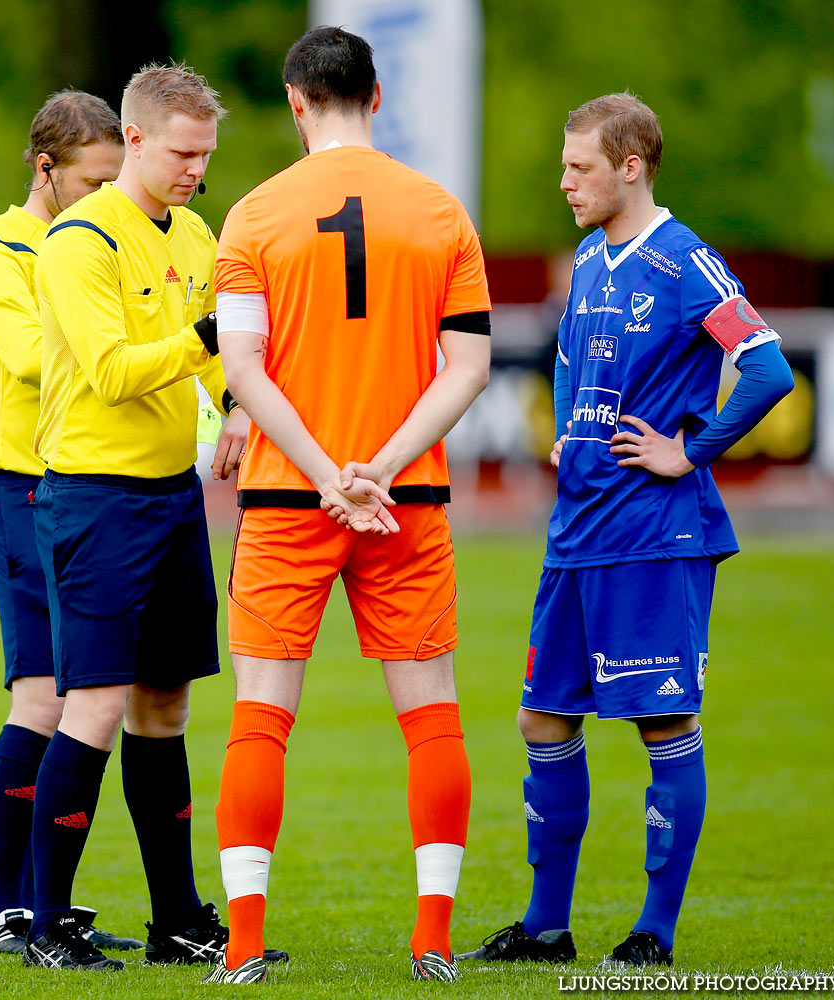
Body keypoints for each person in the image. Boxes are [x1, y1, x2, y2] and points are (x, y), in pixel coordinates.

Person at [458, 93, 793, 969]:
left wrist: (692, 452)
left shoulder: (686, 263)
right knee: (542, 719)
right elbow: (570, 373)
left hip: (653, 533)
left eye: (580, 168)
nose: (564, 182)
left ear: (631, 167)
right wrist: (570, 455)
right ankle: (545, 929)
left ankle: (654, 932)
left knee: (661, 721)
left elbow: (764, 369)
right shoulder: (589, 259)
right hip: (579, 533)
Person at [208, 26, 493, 984]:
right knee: (431, 717)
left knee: (260, 715)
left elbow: (242, 370)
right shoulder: (440, 212)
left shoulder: (251, 216)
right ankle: (433, 939)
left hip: (291, 497)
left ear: (294, 101)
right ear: (376, 95)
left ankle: (244, 946)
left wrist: (330, 473)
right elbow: (470, 370)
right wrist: (378, 467)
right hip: (404, 499)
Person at [25, 63, 254, 972]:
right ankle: (47, 925)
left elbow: (212, 364)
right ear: (134, 140)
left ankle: (176, 920)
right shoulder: (78, 241)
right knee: (96, 705)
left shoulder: (194, 232)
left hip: (169, 496)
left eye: (206, 153)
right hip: (93, 496)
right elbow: (113, 370)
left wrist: (234, 401)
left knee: (166, 705)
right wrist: (213, 341)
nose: (197, 168)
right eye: (183, 151)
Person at [0, 89, 144, 957]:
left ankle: (40, 903)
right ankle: (6, 909)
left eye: (116, 179)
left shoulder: (107, 237)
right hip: (22, 489)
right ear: (44, 168)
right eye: (93, 179)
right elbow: (40, 358)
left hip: (92, 492)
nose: (107, 195)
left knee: (101, 696)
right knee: (46, 696)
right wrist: (131, 338)